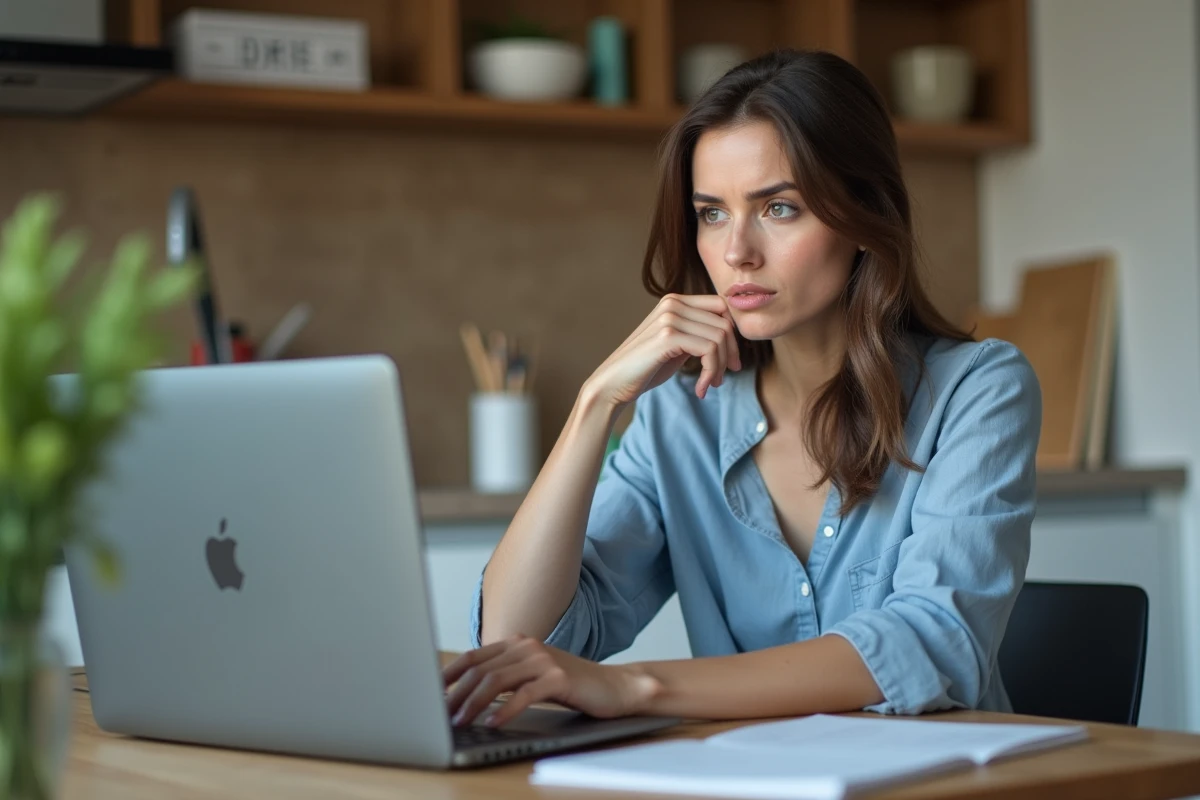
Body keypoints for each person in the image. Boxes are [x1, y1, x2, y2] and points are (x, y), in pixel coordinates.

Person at [443, 48, 1042, 729]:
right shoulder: (680, 414)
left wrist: (636, 688)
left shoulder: (978, 390)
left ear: (863, 213)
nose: (736, 253)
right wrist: (595, 404)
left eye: (779, 208)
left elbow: (932, 642)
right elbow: (517, 644)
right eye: (712, 213)